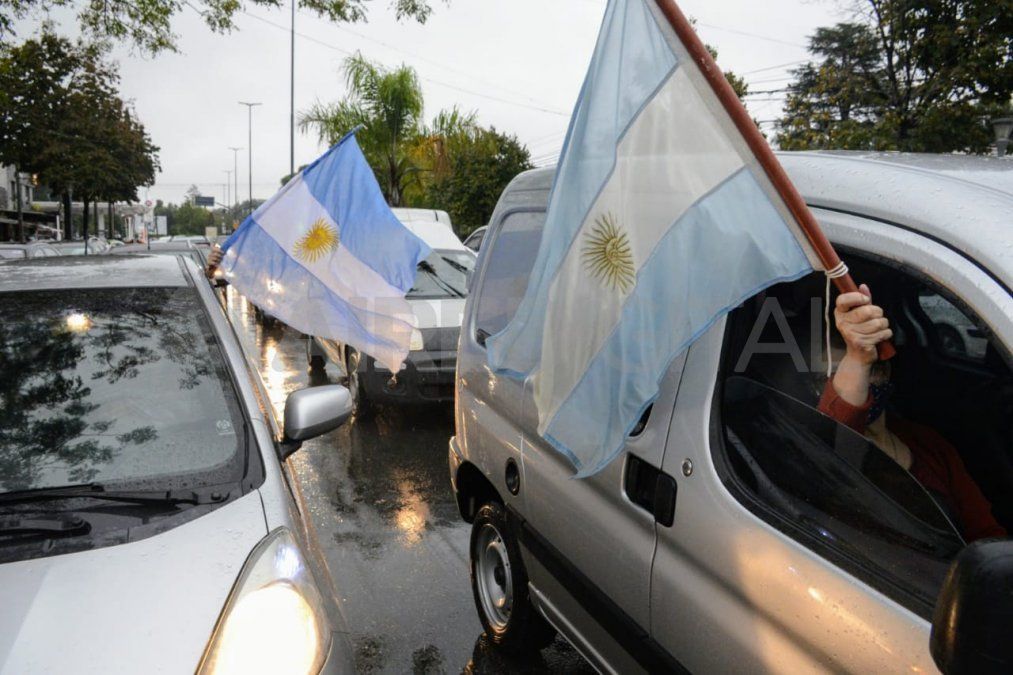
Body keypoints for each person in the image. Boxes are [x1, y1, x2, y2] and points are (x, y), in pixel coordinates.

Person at [820, 284, 1006, 542]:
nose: (859, 383)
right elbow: (839, 427)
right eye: (837, 375)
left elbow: (986, 532)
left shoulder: (928, 444)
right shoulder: (826, 453)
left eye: (871, 369)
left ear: (885, 371)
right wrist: (857, 359)